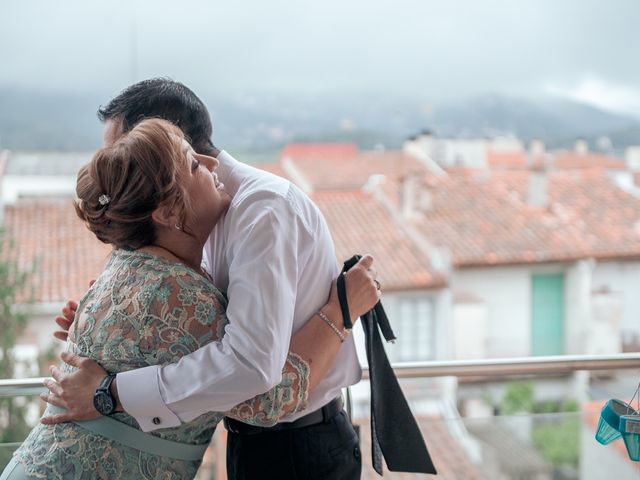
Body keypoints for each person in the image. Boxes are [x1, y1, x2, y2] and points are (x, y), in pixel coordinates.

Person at [0, 119, 377, 480]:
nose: (214, 163)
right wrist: (342, 307)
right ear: (167, 212)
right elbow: (277, 395)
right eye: (194, 163)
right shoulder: (182, 298)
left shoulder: (124, 264)